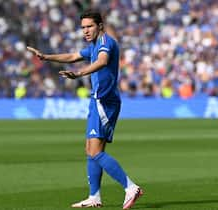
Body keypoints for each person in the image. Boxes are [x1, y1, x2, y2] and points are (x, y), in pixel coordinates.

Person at [27, 10, 143, 209]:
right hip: (97, 100)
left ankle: (130, 187)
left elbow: (102, 61)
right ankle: (94, 197)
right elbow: (73, 56)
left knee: (96, 151)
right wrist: (46, 57)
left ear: (100, 25)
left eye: (89, 26)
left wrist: (79, 73)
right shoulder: (94, 45)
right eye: (83, 27)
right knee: (90, 150)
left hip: (105, 101)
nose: (85, 31)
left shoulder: (107, 42)